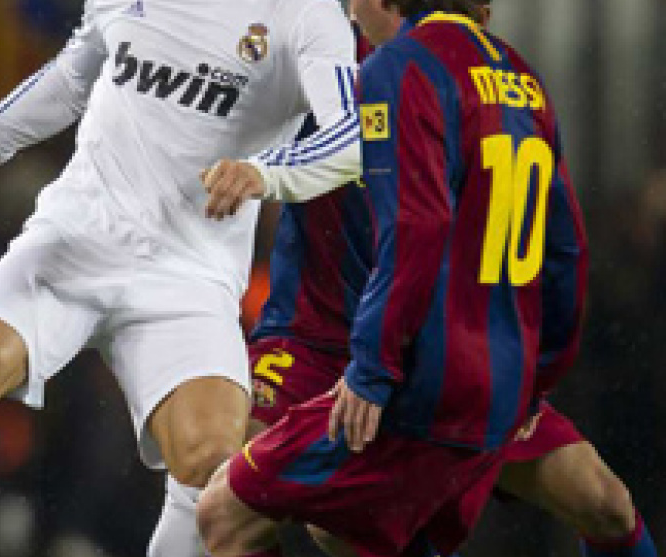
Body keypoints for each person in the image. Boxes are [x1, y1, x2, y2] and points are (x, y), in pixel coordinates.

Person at [0, 0, 363, 555]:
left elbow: (350, 139)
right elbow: (73, 75)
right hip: (76, 236)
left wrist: (264, 173)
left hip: (188, 276)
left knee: (212, 469)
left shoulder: (307, 16)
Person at [241, 2, 659, 556]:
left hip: (426, 354)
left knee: (603, 501)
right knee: (230, 484)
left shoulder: (454, 74)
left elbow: (547, 236)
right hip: (313, 342)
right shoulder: (315, 49)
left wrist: (530, 375)